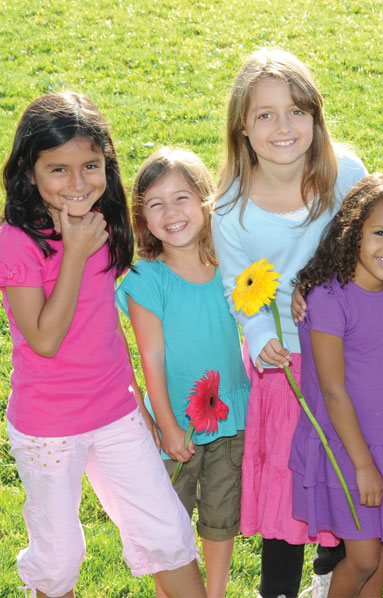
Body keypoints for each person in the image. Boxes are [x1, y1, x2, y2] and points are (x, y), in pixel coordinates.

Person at [0, 91, 205, 598]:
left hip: (115, 411)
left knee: (167, 532)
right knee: (58, 557)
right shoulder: (17, 240)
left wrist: (139, 404)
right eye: (59, 170)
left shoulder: (103, 223)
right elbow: (45, 339)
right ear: (29, 172)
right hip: (49, 427)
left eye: (90, 166)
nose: (77, 183)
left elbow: (105, 326)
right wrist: (72, 252)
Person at [211, 48, 367, 598]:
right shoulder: (230, 208)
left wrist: (324, 289)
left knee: (341, 469)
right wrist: (261, 339)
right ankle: (277, 588)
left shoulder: (345, 173)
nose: (284, 127)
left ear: (316, 116)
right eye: (266, 115)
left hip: (345, 354)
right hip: (284, 367)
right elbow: (238, 288)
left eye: (297, 111)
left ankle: (332, 573)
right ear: (243, 128)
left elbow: (366, 248)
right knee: (287, 482)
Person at [290, 174, 383, 597]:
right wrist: (362, 465)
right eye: (380, 233)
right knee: (364, 558)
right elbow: (333, 390)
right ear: (352, 231)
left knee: (381, 555)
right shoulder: (327, 299)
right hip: (349, 446)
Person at [116, 147, 250, 598]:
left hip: (230, 415)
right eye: (155, 204)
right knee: (168, 523)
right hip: (176, 426)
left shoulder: (230, 265)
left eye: (182, 198)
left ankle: (214, 593)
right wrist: (168, 425)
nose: (171, 213)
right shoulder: (145, 278)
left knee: (220, 515)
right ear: (143, 219)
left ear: (206, 200)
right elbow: (149, 357)